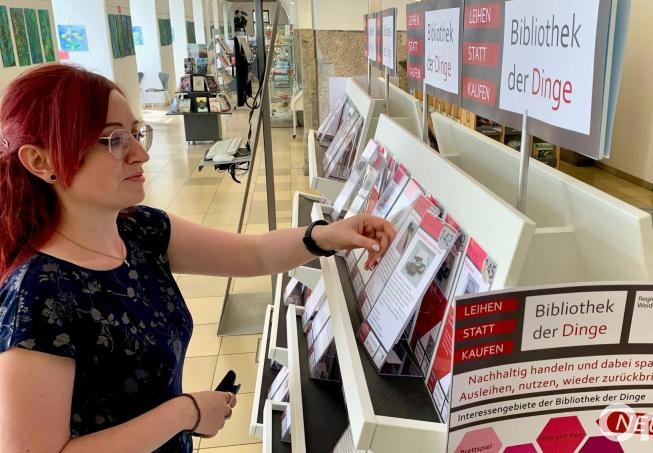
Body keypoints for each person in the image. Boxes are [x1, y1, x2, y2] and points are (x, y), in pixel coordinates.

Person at [0, 64, 395, 452]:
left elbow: (252, 255)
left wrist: (325, 235)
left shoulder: (139, 230)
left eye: (136, 133)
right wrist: (184, 413)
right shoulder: (36, 296)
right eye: (114, 140)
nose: (141, 154)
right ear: (41, 161)